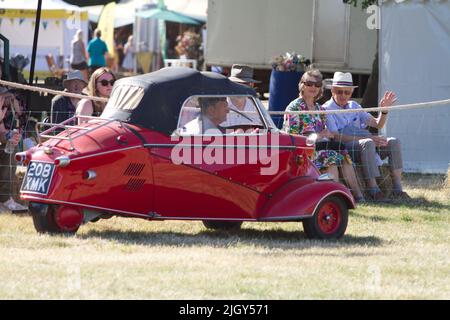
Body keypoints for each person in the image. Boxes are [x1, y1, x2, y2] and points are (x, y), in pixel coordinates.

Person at [323, 72, 409, 201]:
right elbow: (336, 137)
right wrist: (368, 139)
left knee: (393, 142)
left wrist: (384, 110)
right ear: (333, 91)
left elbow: (378, 124)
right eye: (340, 92)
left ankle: (397, 188)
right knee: (367, 143)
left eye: (347, 92)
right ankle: (374, 189)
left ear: (351, 93)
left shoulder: (354, 106)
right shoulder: (326, 109)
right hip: (345, 149)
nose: (343, 95)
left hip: (363, 144)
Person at [282, 69, 365, 202]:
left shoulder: (320, 109)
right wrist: (320, 135)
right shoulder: (294, 107)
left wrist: (327, 135)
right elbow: (292, 137)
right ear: (302, 85)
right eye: (309, 83)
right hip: (300, 151)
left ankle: (359, 196)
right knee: (330, 157)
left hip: (319, 147)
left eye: (317, 84)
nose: (313, 87)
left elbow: (327, 133)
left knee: (343, 154)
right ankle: (332, 198)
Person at [0, 63, 27, 212]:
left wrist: (9, 138)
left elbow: (1, 132)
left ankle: (4, 199)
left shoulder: (2, 96)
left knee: (10, 148)